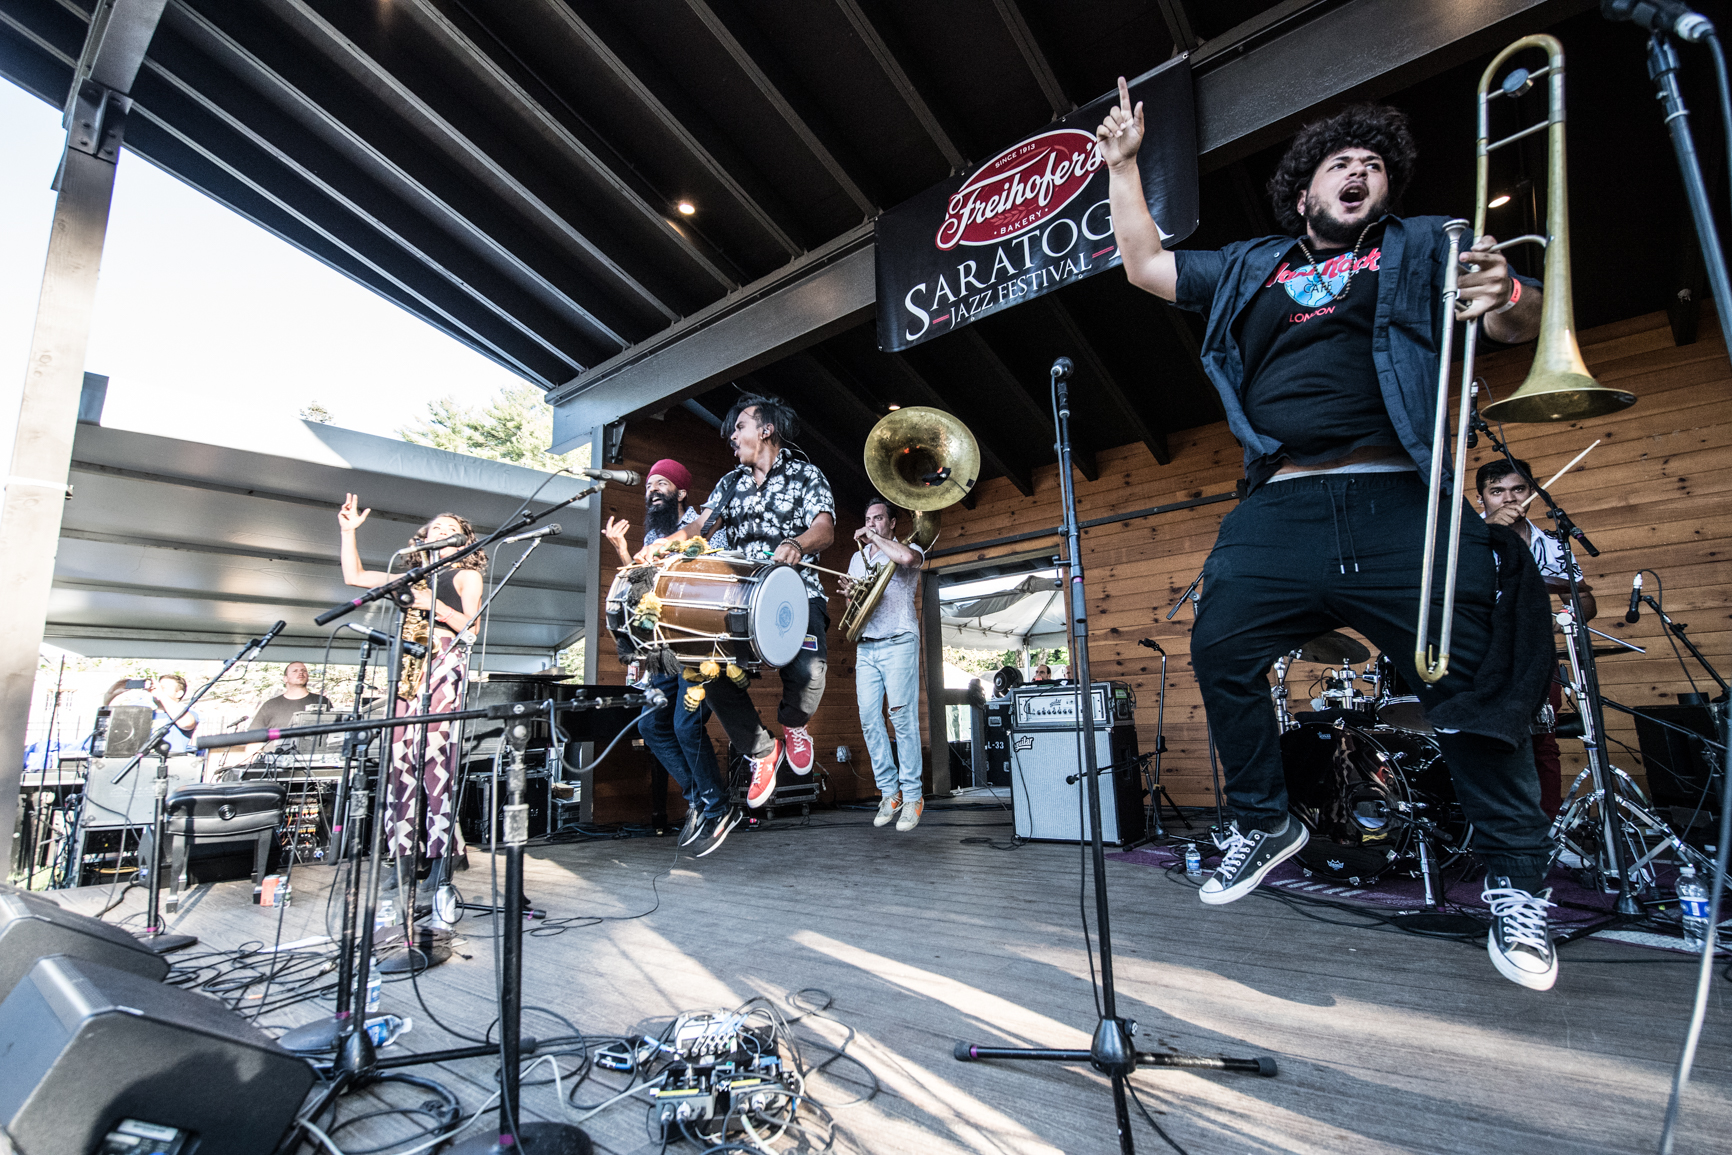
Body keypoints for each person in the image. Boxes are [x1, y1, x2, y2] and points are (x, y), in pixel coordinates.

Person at [1099, 86, 1562, 989]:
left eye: (1375, 164)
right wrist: (1121, 166)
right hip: (1283, 499)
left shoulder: (1424, 244)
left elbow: (1516, 320)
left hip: (1402, 497)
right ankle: (1265, 817)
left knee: (1468, 691)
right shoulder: (1251, 266)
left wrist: (1503, 287)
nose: (1360, 172)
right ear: (1304, 189)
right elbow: (1146, 265)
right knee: (1220, 641)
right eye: (1341, 164)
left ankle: (1519, 883)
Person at [656, 394, 836, 810]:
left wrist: (797, 543)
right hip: (739, 600)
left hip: (797, 590)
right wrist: (663, 546)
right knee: (706, 668)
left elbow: (824, 529)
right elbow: (701, 525)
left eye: (740, 427)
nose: (733, 436)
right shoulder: (730, 482)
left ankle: (794, 725)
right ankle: (761, 751)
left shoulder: (806, 475)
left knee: (810, 670)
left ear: (766, 430)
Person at [338, 495, 483, 899]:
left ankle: (443, 854)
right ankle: (403, 854)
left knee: (435, 760)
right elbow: (354, 576)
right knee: (399, 763)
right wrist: (348, 532)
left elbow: (470, 629)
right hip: (406, 673)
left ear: (461, 540)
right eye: (432, 527)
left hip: (443, 664)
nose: (436, 532)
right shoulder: (410, 578)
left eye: (446, 528)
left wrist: (434, 606)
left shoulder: (464, 575)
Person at [605, 460, 736, 856]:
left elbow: (718, 582)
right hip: (664, 648)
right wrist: (624, 552)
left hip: (699, 643)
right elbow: (642, 589)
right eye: (649, 484)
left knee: (684, 724)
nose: (652, 489)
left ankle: (717, 806)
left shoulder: (706, 526)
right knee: (653, 727)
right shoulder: (653, 533)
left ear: (681, 492)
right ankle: (700, 799)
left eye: (662, 483)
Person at [1478, 458, 1598, 816]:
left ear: (1531, 492)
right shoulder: (1467, 541)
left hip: (1536, 655)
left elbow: (1584, 599)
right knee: (1488, 743)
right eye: (1496, 491)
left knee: (1544, 744)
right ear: (1481, 498)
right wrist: (1483, 529)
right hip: (1483, 655)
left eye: (1517, 489)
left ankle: (1547, 828)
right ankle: (1499, 830)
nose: (1508, 498)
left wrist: (1566, 618)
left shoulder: (1553, 544)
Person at [842, 497, 927, 832]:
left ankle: (913, 795)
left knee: (902, 717)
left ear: (892, 523)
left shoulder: (908, 546)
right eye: (868, 518)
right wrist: (851, 591)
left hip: (899, 641)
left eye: (878, 518)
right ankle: (890, 791)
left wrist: (876, 538)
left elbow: (906, 558)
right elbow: (854, 604)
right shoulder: (856, 558)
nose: (871, 523)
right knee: (868, 718)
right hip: (867, 646)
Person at [233, 662, 334, 763]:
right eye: (295, 671)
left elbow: (335, 735)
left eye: (304, 671)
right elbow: (254, 740)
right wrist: (250, 766)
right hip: (275, 765)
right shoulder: (270, 705)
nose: (300, 673)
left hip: (313, 763)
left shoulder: (323, 702)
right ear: (285, 679)